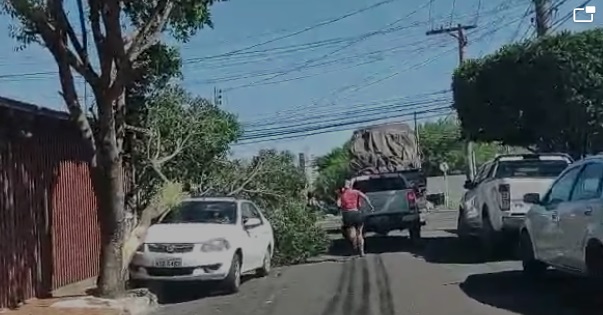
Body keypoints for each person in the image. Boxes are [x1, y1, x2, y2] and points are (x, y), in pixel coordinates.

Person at [337, 180, 374, 256]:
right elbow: (365, 197)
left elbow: (338, 204)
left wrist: (341, 206)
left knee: (351, 233)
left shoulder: (342, 194)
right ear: (350, 185)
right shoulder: (356, 192)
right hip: (356, 213)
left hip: (347, 214)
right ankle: (362, 251)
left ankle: (354, 241)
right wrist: (371, 207)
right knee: (360, 233)